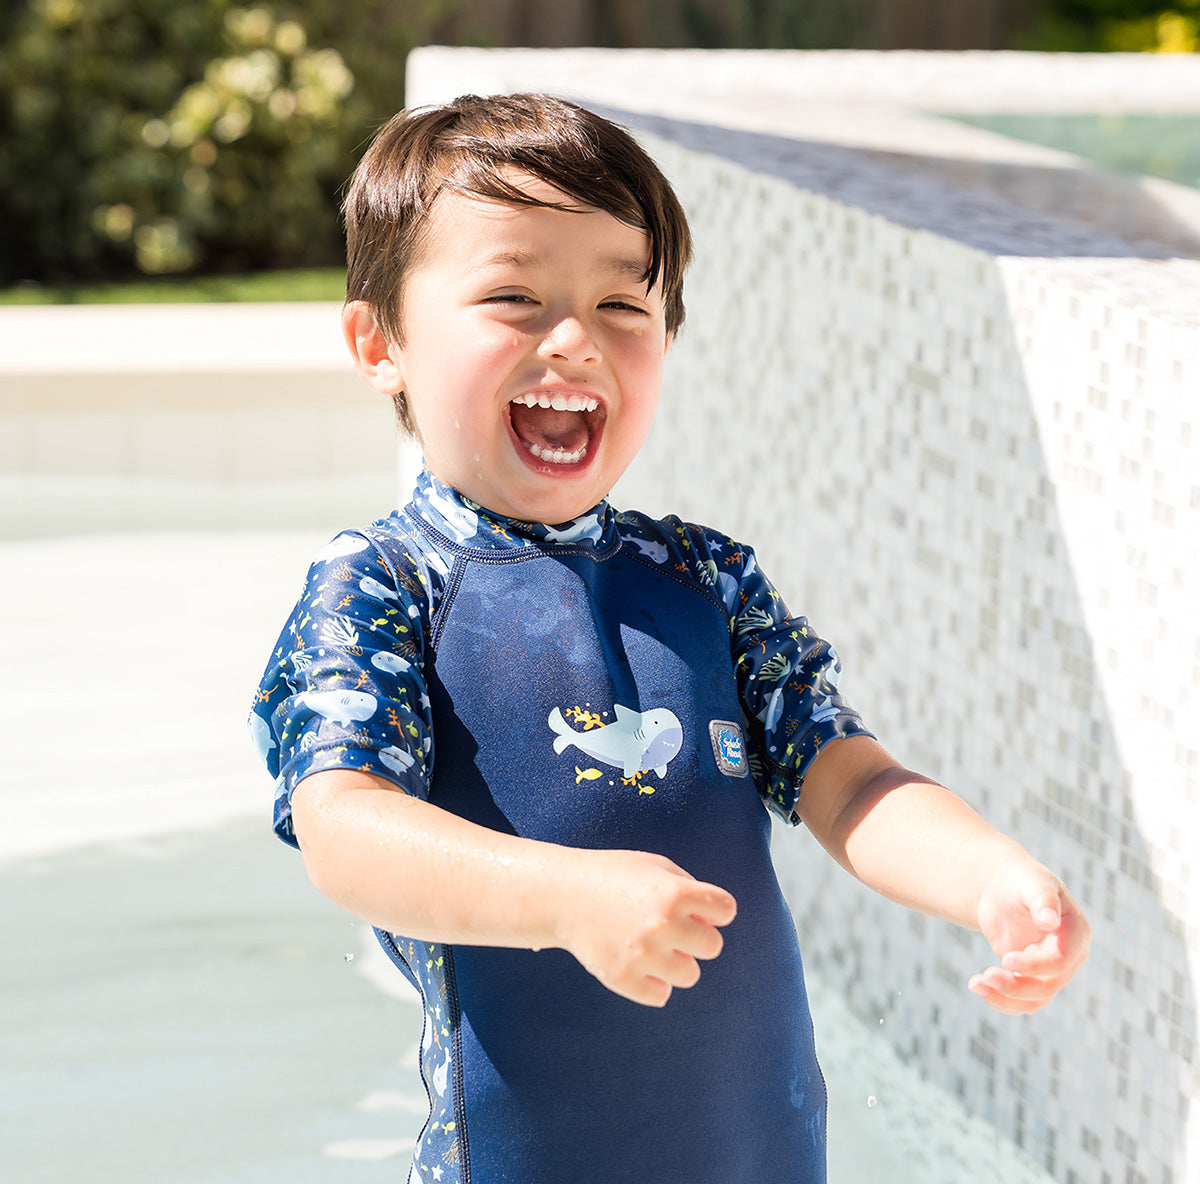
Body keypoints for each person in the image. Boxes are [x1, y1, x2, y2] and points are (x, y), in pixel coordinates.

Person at [249, 93, 1089, 1184]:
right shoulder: (385, 586)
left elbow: (848, 780)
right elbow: (344, 831)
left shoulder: (706, 578)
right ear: (381, 342)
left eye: (621, 304)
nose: (574, 341)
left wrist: (990, 876)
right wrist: (565, 897)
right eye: (513, 295)